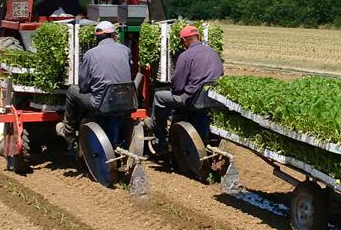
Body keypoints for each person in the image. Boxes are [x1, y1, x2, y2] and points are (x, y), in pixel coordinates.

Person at [149, 25, 224, 153]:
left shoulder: (186, 56)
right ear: (198, 37)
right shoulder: (214, 53)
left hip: (192, 99)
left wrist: (176, 90)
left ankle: (160, 137)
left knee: (159, 97)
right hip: (210, 99)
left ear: (184, 41)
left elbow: (177, 85)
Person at [56, 20, 131, 144]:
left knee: (72, 91)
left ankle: (68, 132)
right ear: (113, 35)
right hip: (125, 101)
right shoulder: (125, 50)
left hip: (101, 103)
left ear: (97, 37)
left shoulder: (90, 54)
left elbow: (83, 85)